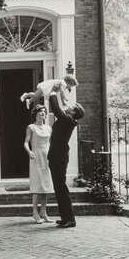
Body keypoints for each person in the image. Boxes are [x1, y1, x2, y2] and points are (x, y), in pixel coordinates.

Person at [47, 97, 85, 228]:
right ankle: (65, 218)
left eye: (72, 106)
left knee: (61, 188)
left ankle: (70, 219)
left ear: (74, 112)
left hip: (59, 156)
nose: (68, 106)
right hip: (56, 156)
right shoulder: (67, 120)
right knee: (59, 188)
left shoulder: (68, 120)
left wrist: (52, 93)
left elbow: (57, 110)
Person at [23, 105, 54, 224]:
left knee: (46, 187)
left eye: (44, 112)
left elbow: (50, 143)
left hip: (47, 158)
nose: (43, 114)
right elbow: (26, 142)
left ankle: (44, 212)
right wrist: (29, 151)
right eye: (40, 112)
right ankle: (35, 212)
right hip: (36, 157)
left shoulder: (48, 128)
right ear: (35, 115)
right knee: (37, 186)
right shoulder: (31, 127)